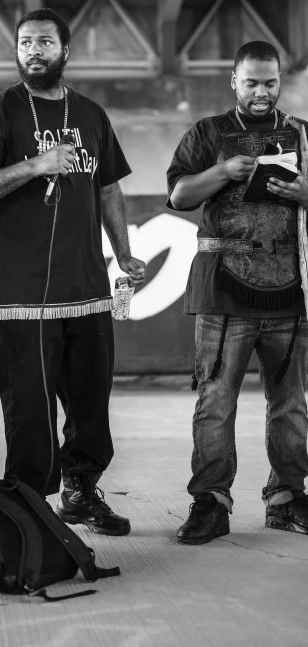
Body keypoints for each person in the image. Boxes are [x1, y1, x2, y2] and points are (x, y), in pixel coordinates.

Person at [0, 8, 145, 535]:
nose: (33, 51)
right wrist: (32, 166)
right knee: (30, 412)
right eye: (24, 43)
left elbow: (108, 187)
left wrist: (123, 252)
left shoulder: (91, 114)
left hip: (87, 288)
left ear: (66, 52)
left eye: (44, 42)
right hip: (23, 293)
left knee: (90, 405)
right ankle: (29, 506)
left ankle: (81, 493)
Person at [167, 41, 308, 544]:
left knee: (291, 402)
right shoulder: (207, 133)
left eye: (270, 82)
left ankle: (289, 498)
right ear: (234, 81)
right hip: (223, 290)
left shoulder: (302, 134)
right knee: (215, 400)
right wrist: (223, 173)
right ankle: (210, 502)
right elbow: (179, 195)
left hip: (291, 290)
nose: (261, 92)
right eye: (251, 82)